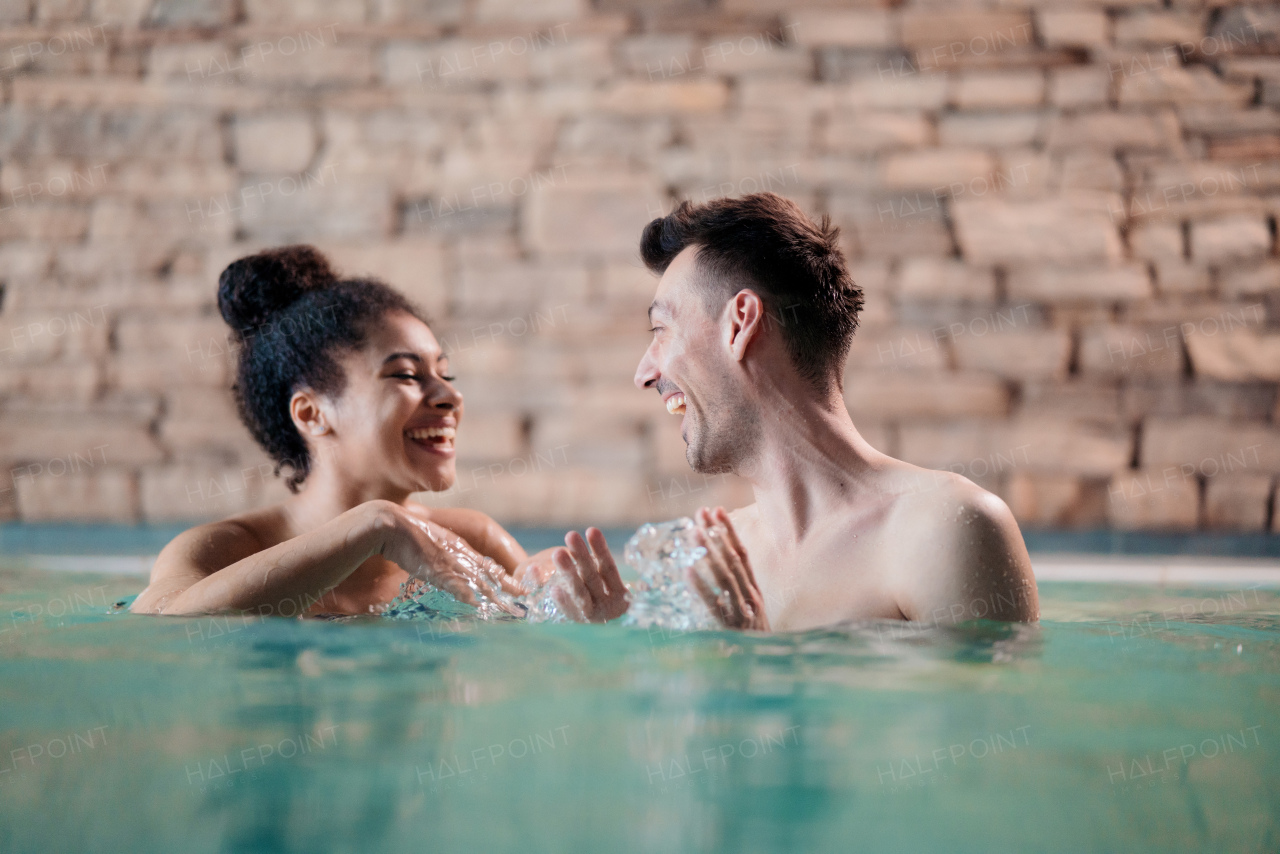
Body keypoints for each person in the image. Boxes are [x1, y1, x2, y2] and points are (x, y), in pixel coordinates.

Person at [547, 193, 1040, 632]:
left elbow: (978, 732)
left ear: (739, 324)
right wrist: (610, 638)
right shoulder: (712, 556)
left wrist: (751, 668)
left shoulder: (942, 531)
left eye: (661, 331)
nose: (644, 373)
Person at [132, 245, 534, 617]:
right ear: (311, 414)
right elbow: (163, 619)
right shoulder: (223, 552)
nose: (450, 395)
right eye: (406, 374)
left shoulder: (471, 540)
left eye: (447, 375)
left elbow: (544, 595)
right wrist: (373, 527)